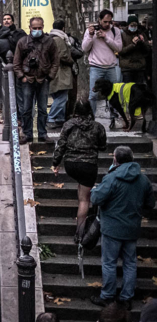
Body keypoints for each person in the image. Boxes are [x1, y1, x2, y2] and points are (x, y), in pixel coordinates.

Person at [89, 145, 155, 308]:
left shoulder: (112, 178)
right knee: (130, 263)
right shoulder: (143, 180)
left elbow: (96, 199)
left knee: (109, 263)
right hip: (132, 228)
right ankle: (126, 298)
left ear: (115, 159)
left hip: (112, 228)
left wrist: (95, 190)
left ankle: (107, 295)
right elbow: (150, 203)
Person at [51, 101, 106, 241]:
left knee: (81, 186)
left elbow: (61, 145)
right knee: (84, 200)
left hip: (71, 164)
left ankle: (80, 226)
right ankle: (80, 233)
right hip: (88, 165)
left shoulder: (68, 124)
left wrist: (55, 163)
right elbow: (103, 146)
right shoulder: (98, 127)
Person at [13, 16, 59, 144]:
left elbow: (55, 61)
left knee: (43, 109)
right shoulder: (23, 42)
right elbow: (16, 62)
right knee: (27, 108)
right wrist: (22, 77)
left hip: (43, 79)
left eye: (39, 28)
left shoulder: (49, 42)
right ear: (30, 28)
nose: (37, 30)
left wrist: (50, 76)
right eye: (35, 28)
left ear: (43, 27)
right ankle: (27, 133)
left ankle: (42, 133)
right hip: (28, 79)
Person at [83, 9, 123, 116]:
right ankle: (91, 118)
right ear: (99, 20)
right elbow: (85, 48)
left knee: (114, 94)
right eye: (105, 22)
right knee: (93, 95)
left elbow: (118, 48)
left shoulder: (115, 31)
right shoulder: (91, 31)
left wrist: (106, 38)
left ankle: (114, 117)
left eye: (110, 22)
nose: (107, 24)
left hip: (111, 67)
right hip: (96, 66)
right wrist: (91, 36)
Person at [47, 19, 76, 130]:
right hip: (61, 71)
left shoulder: (51, 38)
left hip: (55, 71)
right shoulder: (59, 39)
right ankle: (51, 118)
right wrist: (71, 61)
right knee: (62, 97)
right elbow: (62, 55)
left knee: (58, 96)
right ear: (63, 28)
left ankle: (59, 119)